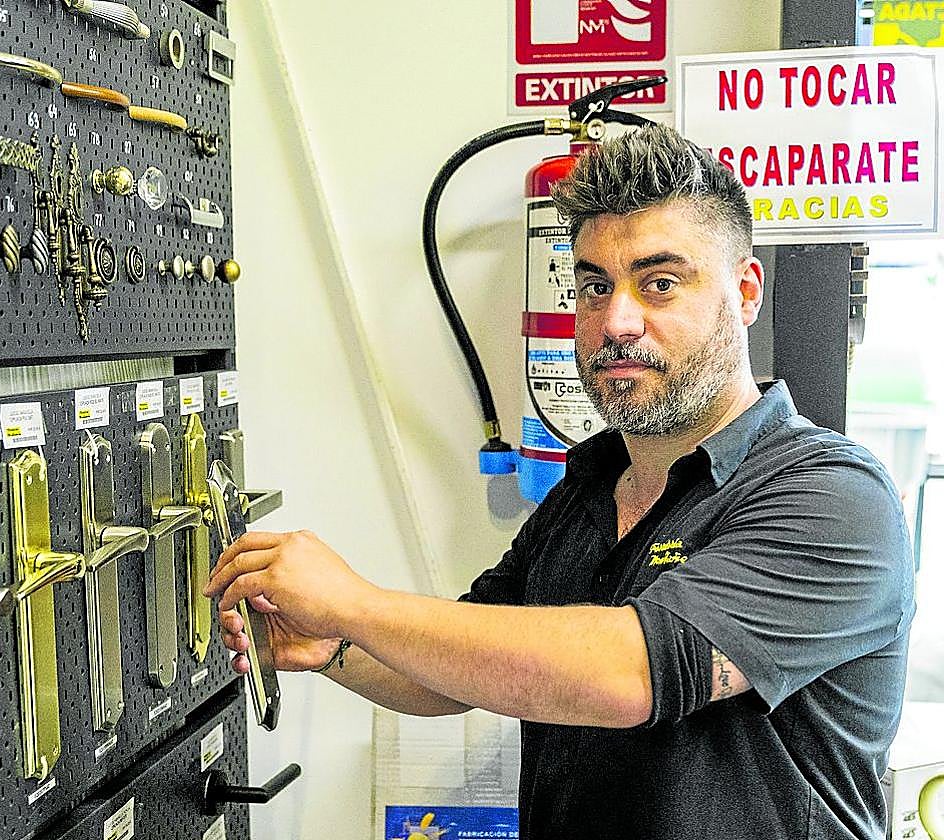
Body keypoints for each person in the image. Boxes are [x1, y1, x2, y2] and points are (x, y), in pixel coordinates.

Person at [205, 124, 915, 840]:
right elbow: (461, 665)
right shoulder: (588, 486)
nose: (617, 321)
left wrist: (354, 604)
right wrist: (333, 647)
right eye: (595, 286)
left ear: (745, 290)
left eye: (660, 283)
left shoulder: (832, 495)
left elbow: (630, 673)